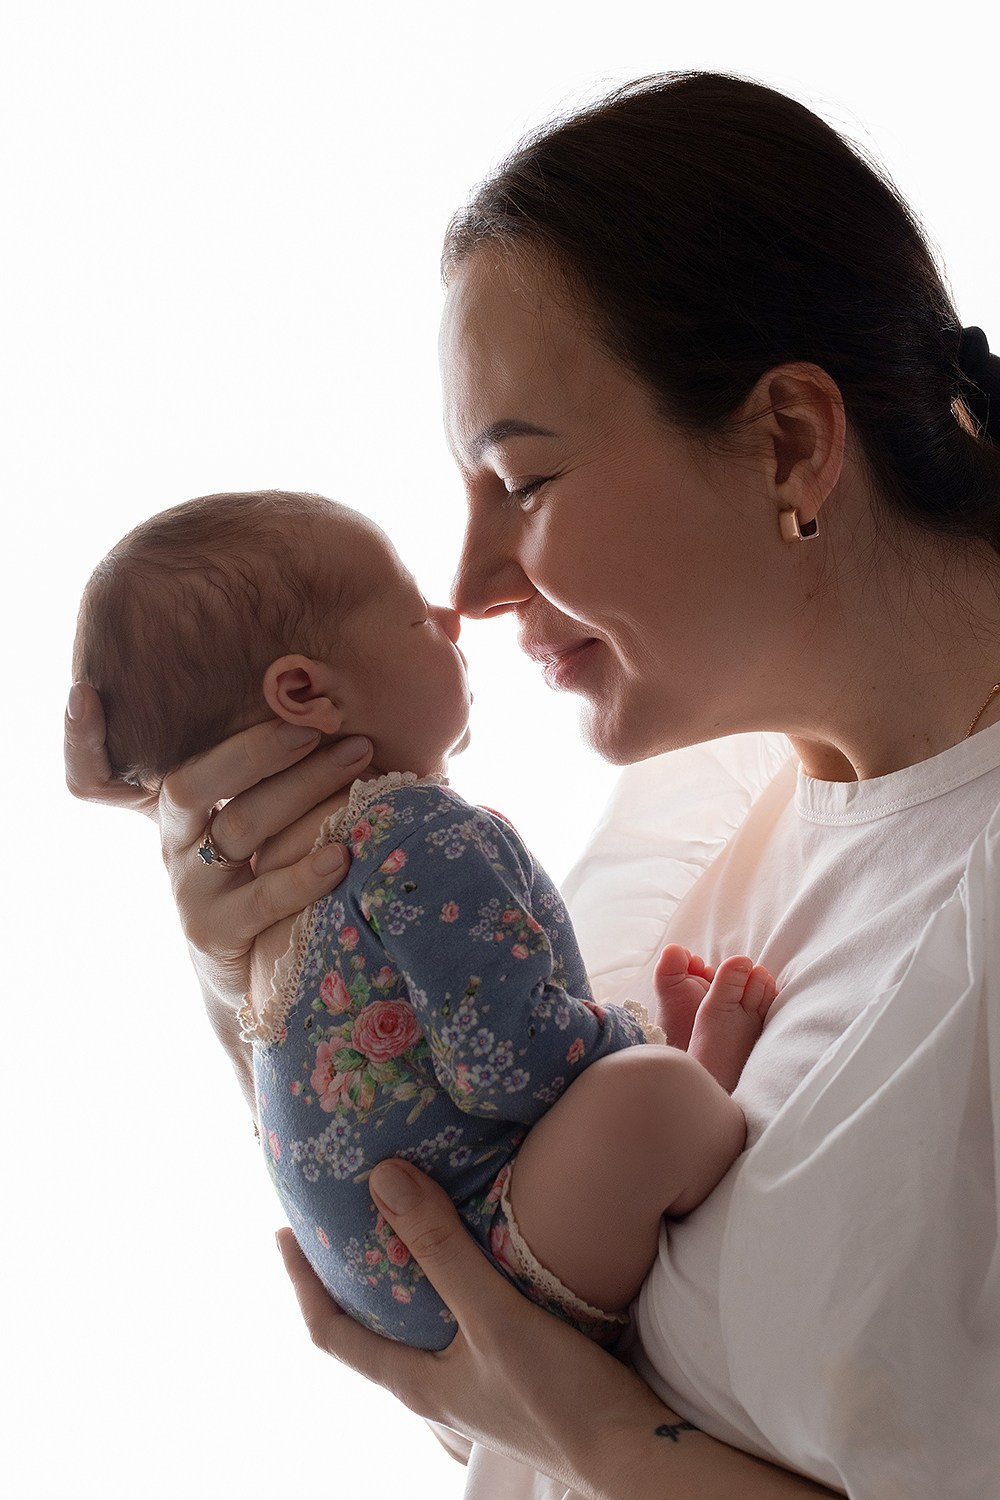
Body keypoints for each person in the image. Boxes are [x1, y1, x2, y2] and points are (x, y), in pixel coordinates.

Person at [64, 69, 1000, 1499]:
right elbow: (472, 1339)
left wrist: (604, 1436)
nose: (469, 586)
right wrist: (251, 959)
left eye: (525, 481)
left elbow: (530, 1401)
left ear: (793, 445)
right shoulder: (707, 808)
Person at [72, 487, 776, 1351]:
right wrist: (633, 1042)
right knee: (655, 1101)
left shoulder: (269, 890)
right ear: (304, 690)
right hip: (487, 1253)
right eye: (414, 617)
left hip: (395, 1292)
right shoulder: (419, 833)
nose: (451, 617)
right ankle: (704, 1078)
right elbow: (505, 1064)